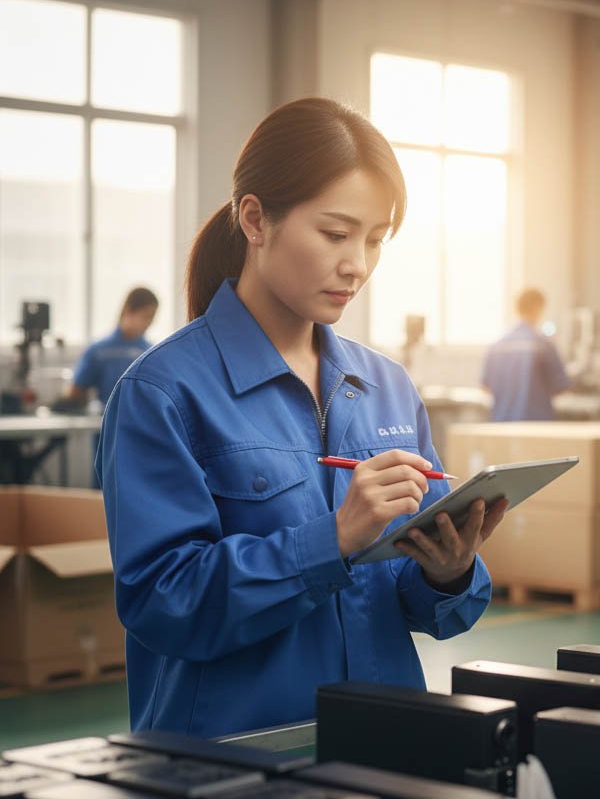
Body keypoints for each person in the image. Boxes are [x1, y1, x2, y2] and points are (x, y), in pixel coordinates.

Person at [97, 98, 508, 737]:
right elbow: (163, 602)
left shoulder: (387, 388)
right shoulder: (164, 392)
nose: (358, 265)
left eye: (375, 239)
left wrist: (447, 570)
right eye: (336, 234)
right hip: (232, 756)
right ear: (255, 220)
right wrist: (334, 539)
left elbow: (421, 607)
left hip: (383, 740)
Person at [481, 288, 570, 421]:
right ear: (537, 308)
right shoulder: (543, 345)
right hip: (536, 424)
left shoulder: (496, 346)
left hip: (501, 424)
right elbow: (561, 387)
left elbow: (485, 386)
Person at [67, 287, 159, 407]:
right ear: (128, 310)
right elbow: (76, 392)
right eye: (145, 316)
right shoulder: (98, 351)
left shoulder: (150, 354)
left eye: (152, 318)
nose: (149, 323)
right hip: (102, 420)